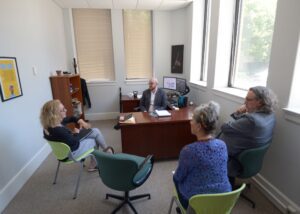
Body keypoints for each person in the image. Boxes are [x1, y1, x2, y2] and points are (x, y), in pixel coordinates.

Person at [173, 101, 231, 210]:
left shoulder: (188, 151)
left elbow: (178, 177)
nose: (190, 122)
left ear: (199, 126)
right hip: (224, 200)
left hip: (196, 203)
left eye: (193, 119)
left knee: (175, 178)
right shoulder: (223, 145)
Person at [219, 86, 278, 177]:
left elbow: (224, 127)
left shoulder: (251, 120)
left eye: (248, 99)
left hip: (232, 160)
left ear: (260, 102)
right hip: (248, 161)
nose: (244, 102)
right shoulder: (271, 116)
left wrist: (238, 113)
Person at [40, 99, 111, 171]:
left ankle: (101, 156)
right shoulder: (59, 130)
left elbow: (70, 118)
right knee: (94, 137)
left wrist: (79, 120)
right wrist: (77, 132)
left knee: (95, 132)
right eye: (63, 110)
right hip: (72, 153)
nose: (66, 110)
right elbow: (75, 143)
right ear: (55, 114)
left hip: (62, 154)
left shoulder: (49, 126)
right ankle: (104, 155)